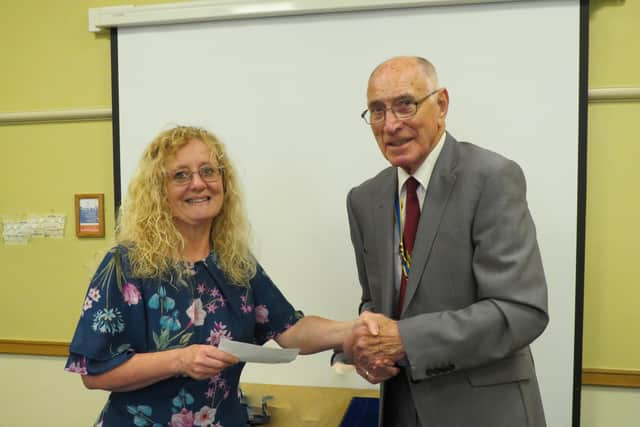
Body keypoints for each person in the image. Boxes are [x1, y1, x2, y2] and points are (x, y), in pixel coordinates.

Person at [65, 125, 370, 427]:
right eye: (181, 175)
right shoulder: (125, 265)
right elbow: (94, 373)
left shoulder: (234, 264)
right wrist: (180, 360)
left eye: (208, 171)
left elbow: (291, 330)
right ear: (158, 191)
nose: (198, 183)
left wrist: (355, 329)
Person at [341, 56, 549, 427]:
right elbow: (374, 300)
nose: (391, 125)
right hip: (400, 411)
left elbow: (521, 311)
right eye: (377, 110)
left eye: (405, 104)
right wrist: (366, 347)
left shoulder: (492, 179)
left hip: (486, 414)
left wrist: (406, 340)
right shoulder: (364, 199)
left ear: (442, 104)